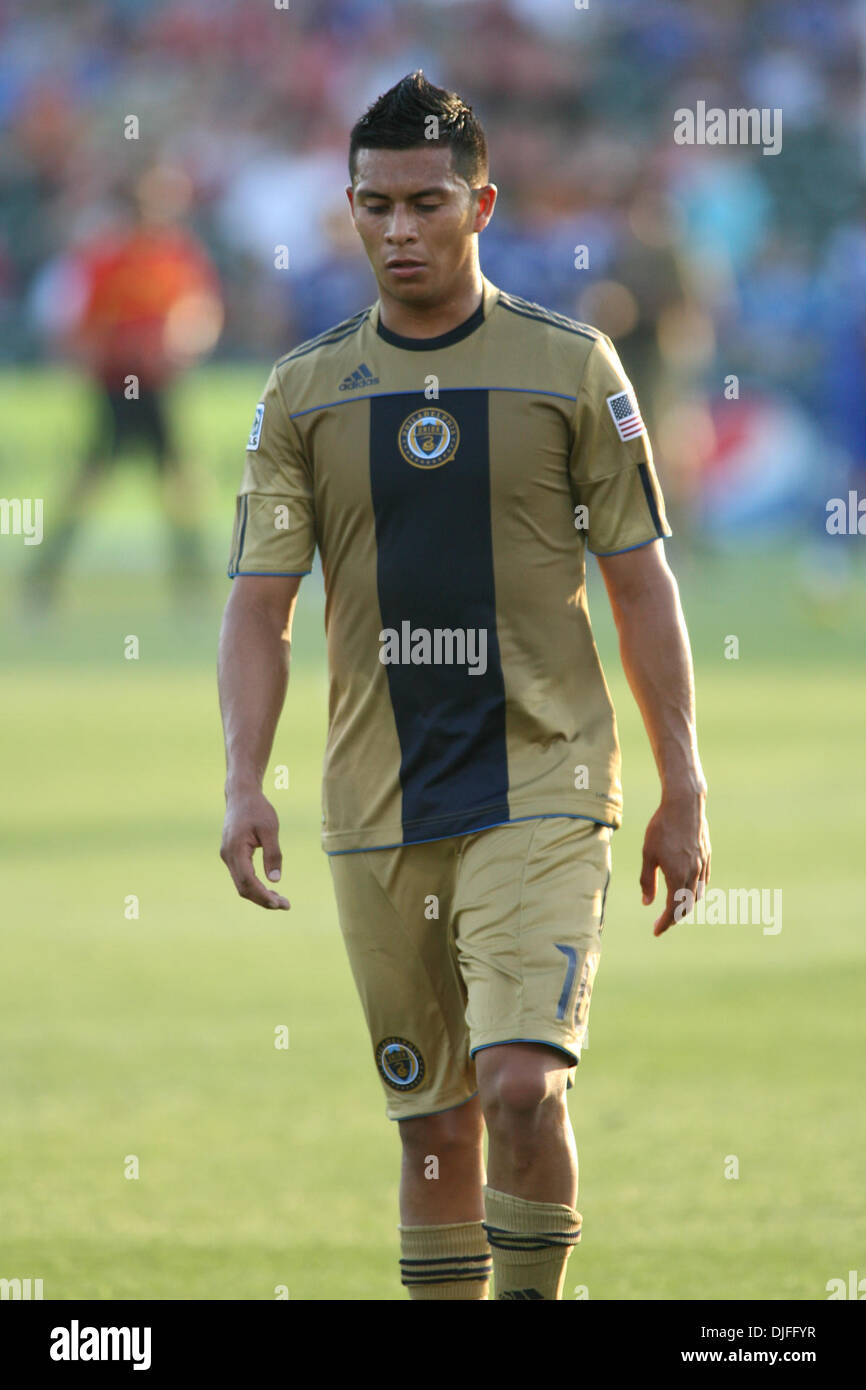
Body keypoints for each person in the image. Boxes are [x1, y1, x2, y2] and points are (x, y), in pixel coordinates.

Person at [218, 72, 710, 1301]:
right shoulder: (303, 391)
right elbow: (258, 605)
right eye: (374, 205)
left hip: (543, 776)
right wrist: (241, 781)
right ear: (346, 208)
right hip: (373, 798)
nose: (398, 231)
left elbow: (641, 587)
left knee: (517, 1086)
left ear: (479, 204)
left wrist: (683, 781)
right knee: (432, 1129)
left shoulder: (568, 364)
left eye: (425, 203)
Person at [29, 166, 223, 606]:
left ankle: (190, 583)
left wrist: (177, 349)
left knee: (175, 481)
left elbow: (199, 314)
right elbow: (77, 326)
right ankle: (44, 577)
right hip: (117, 384)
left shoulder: (174, 257)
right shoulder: (107, 259)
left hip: (155, 384)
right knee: (94, 480)